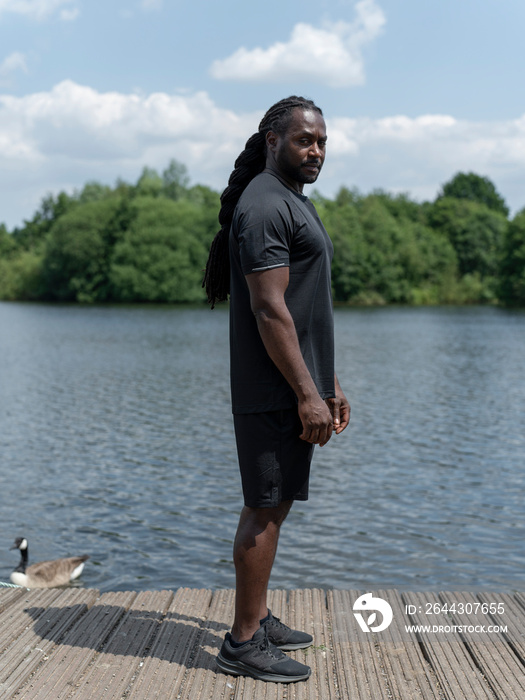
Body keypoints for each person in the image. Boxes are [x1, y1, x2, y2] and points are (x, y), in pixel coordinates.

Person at [203, 96, 350, 683]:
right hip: (274, 389)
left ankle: (256, 617)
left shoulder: (292, 202)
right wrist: (306, 394)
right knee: (262, 511)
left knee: (276, 504)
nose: (315, 151)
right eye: (303, 140)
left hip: (297, 385)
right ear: (271, 140)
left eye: (320, 141)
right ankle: (241, 644)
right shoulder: (264, 206)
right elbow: (269, 311)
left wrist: (328, 383)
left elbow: (306, 308)